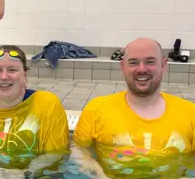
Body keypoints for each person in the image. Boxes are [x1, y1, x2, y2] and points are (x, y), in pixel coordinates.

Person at [74, 38, 195, 178]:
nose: (142, 69)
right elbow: (79, 152)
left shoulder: (191, 113)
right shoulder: (96, 109)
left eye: (150, 62)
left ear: (163, 65)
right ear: (122, 67)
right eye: (133, 62)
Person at [0, 45, 69, 178]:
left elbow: (54, 154)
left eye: (12, 70)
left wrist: (26, 173)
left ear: (24, 75)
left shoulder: (48, 104)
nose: (4, 77)